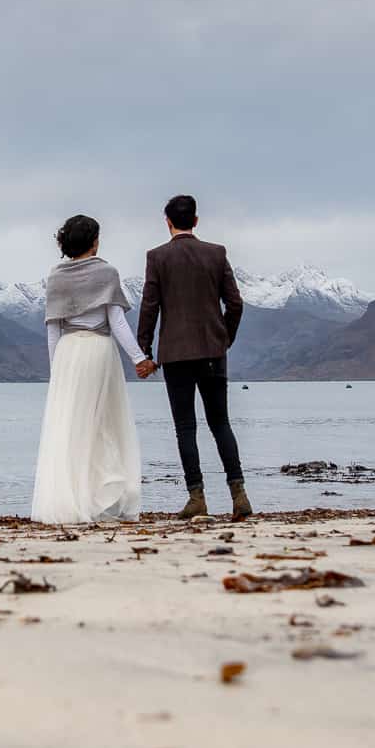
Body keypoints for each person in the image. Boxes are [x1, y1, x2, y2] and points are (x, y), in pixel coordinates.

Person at [30, 214, 155, 524]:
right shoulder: (107, 273)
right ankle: (104, 498)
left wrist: (56, 370)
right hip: (99, 351)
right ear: (94, 241)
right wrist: (139, 358)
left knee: (70, 425)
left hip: (68, 354)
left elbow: (53, 330)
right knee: (104, 424)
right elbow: (117, 322)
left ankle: (69, 499)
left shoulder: (56, 277)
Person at [135, 194, 250, 520]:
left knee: (185, 427)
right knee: (221, 423)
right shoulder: (216, 253)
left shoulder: (157, 257)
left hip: (176, 355)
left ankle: (196, 497)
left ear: (167, 222)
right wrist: (224, 338)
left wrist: (145, 350)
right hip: (213, 351)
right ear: (195, 221)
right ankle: (238, 494)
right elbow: (236, 303)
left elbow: (150, 306)